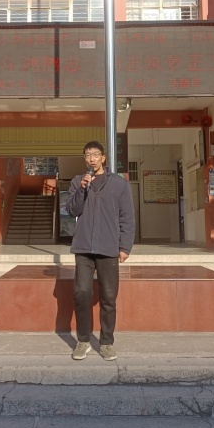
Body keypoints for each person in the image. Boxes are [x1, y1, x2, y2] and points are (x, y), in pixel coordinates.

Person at [65, 141, 135, 361]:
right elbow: (72, 210)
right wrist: (82, 189)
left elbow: (127, 217)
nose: (91, 159)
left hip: (108, 248)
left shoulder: (119, 184)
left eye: (95, 154)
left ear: (103, 158)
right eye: (87, 155)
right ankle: (83, 341)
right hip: (83, 247)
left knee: (108, 298)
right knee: (82, 295)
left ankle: (106, 343)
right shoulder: (78, 181)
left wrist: (125, 246)